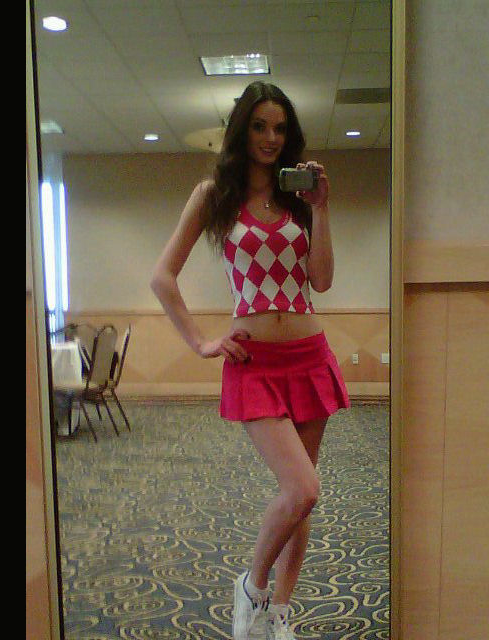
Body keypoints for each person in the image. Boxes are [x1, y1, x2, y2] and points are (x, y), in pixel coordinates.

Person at [150, 80, 350, 640]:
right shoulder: (214, 194)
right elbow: (162, 277)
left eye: (280, 128)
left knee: (301, 499)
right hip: (254, 363)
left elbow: (321, 280)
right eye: (260, 126)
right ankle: (252, 587)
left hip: (309, 357)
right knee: (302, 488)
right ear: (242, 129)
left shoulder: (298, 198)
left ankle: (279, 613)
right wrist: (200, 341)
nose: (270, 137)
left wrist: (322, 209)